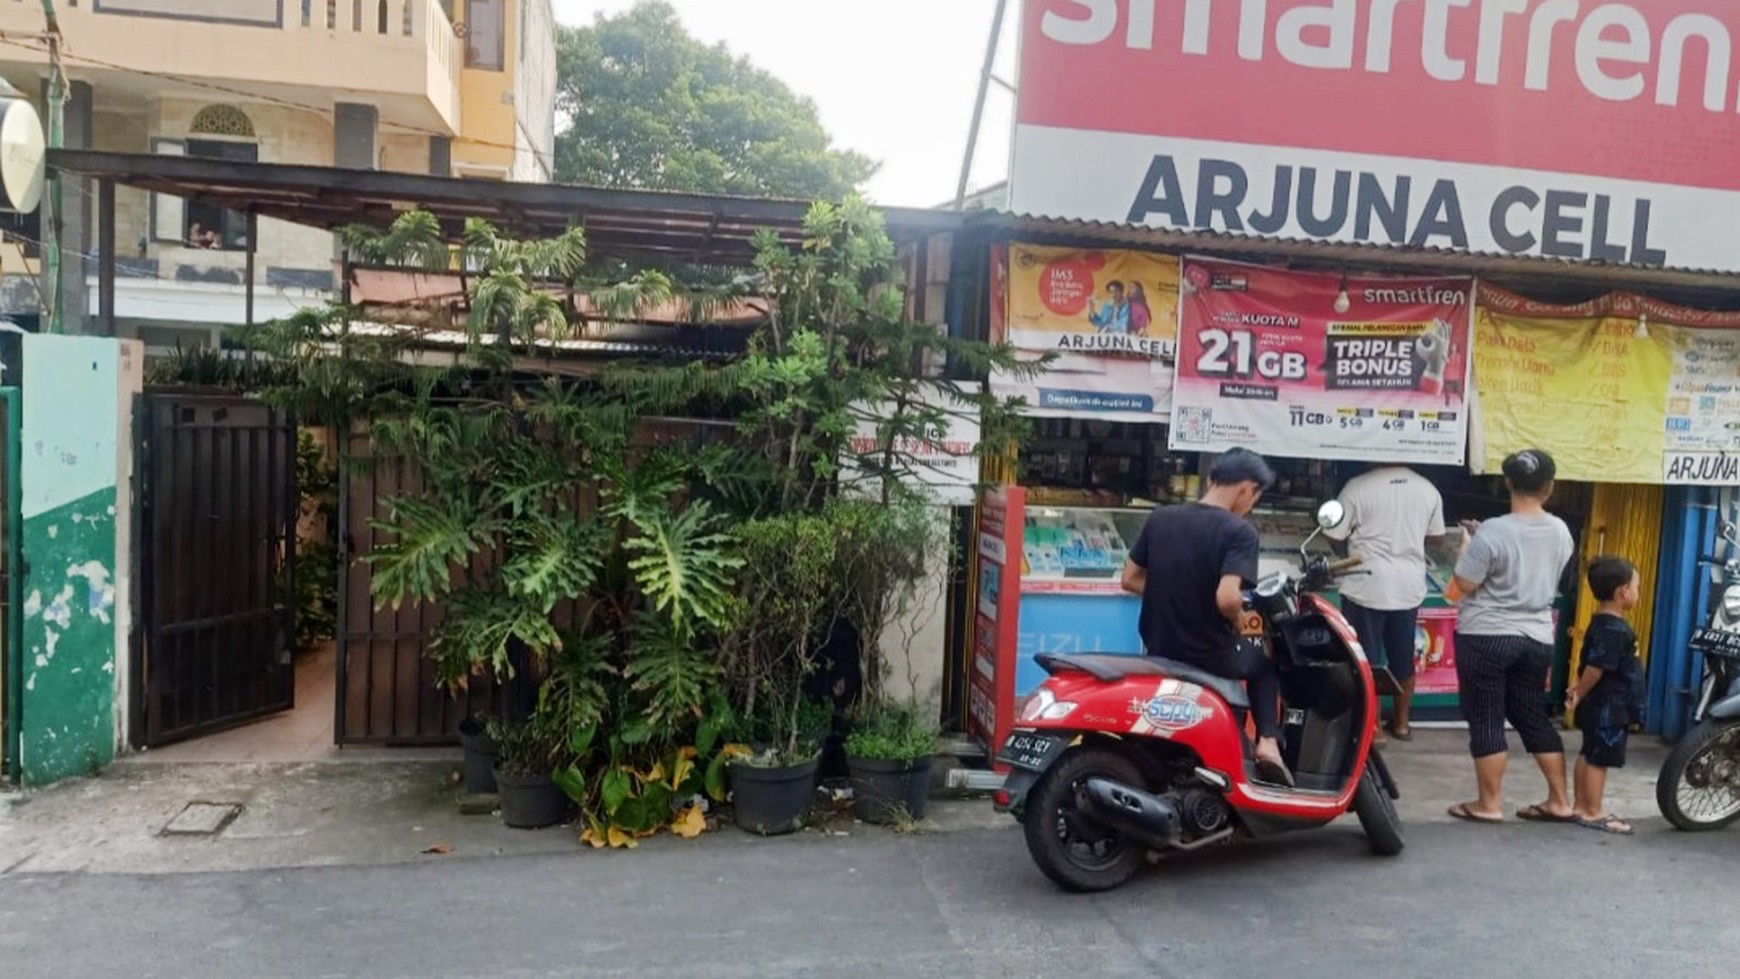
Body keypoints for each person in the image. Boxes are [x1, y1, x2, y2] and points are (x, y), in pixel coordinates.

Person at [1121, 448, 1292, 786]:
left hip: (1159, 648)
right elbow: (1227, 598)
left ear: (1212, 479)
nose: (1251, 505)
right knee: (1264, 666)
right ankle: (1269, 744)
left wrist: (1174, 592)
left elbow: (1129, 578)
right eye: (1254, 497)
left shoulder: (1161, 518)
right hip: (1209, 654)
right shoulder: (1239, 532)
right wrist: (1238, 616)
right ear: (1247, 489)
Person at [1445, 449, 1577, 825]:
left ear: (1507, 483)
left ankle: (1489, 804)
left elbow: (1466, 582)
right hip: (1536, 636)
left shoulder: (1493, 531)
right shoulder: (1560, 531)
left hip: (1486, 633)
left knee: (1487, 718)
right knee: (1533, 716)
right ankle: (1559, 800)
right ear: (1549, 487)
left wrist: (1466, 549)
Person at [1325, 463, 1446, 741]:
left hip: (1365, 583)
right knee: (1403, 657)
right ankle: (1402, 724)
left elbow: (1333, 534)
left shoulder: (1358, 486)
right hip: (1407, 586)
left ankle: (1374, 729)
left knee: (1365, 659)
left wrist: (1348, 554)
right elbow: (1438, 537)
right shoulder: (1427, 489)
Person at [1566, 556, 1645, 836]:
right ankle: (1593, 810)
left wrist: (1578, 690)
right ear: (1622, 592)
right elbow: (1596, 669)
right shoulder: (1615, 630)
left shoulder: (1600, 622)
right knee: (1600, 757)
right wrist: (1579, 692)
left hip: (1599, 704)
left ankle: (1579, 805)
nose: (1638, 592)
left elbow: (1590, 665)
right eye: (1636, 586)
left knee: (1589, 752)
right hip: (1609, 706)